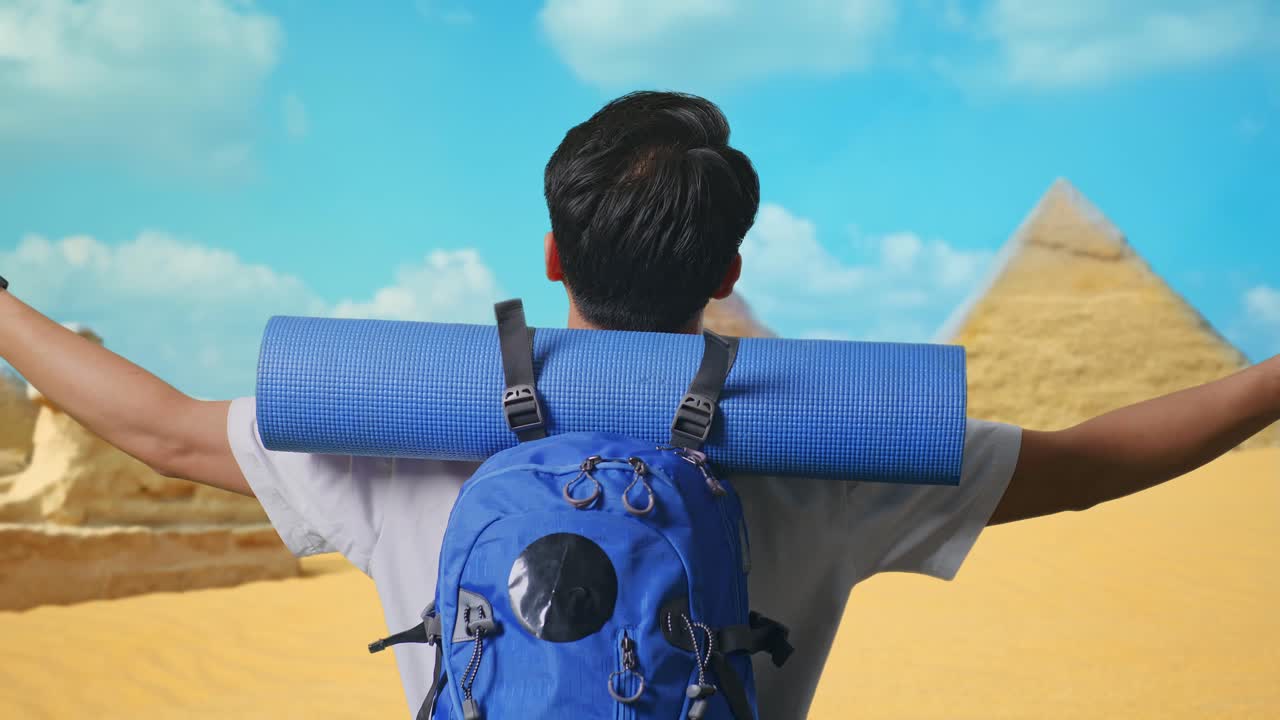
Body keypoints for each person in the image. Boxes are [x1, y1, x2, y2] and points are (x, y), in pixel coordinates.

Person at [2, 91, 1276, 720]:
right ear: (728, 275)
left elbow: (158, 428)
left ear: (550, 258)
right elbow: (1094, 459)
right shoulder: (824, 445)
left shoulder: (408, 435)